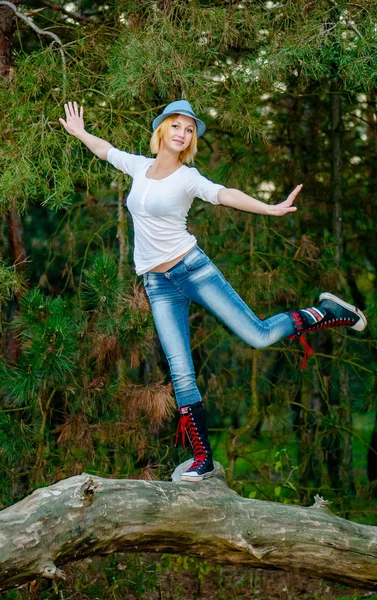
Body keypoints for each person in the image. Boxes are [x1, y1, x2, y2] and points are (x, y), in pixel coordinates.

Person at [59, 100, 367, 483]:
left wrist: (269, 209)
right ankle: (202, 459)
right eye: (176, 126)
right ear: (162, 130)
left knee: (258, 335)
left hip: (192, 269)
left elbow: (224, 194)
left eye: (189, 130)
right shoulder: (139, 166)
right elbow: (107, 151)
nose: (182, 133)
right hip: (157, 285)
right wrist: (80, 132)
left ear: (190, 142)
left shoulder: (188, 178)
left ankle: (324, 311)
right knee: (181, 372)